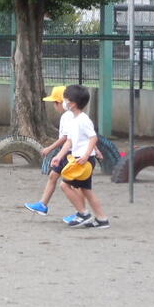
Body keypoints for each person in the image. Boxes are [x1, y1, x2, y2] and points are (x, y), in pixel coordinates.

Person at [51, 84, 110, 229]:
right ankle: (102, 219)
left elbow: (93, 137)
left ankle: (83, 213)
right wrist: (59, 155)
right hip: (79, 160)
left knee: (64, 185)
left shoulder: (83, 120)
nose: (64, 102)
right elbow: (69, 141)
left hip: (83, 161)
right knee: (86, 191)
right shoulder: (73, 119)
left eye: (65, 99)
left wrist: (86, 155)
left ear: (72, 104)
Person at [24, 86, 73, 215]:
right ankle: (42, 204)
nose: (54, 107)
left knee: (72, 184)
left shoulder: (67, 117)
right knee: (53, 176)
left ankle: (82, 211)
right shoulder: (70, 115)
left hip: (70, 153)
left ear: (60, 103)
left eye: (54, 103)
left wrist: (50, 148)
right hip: (66, 152)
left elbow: (65, 138)